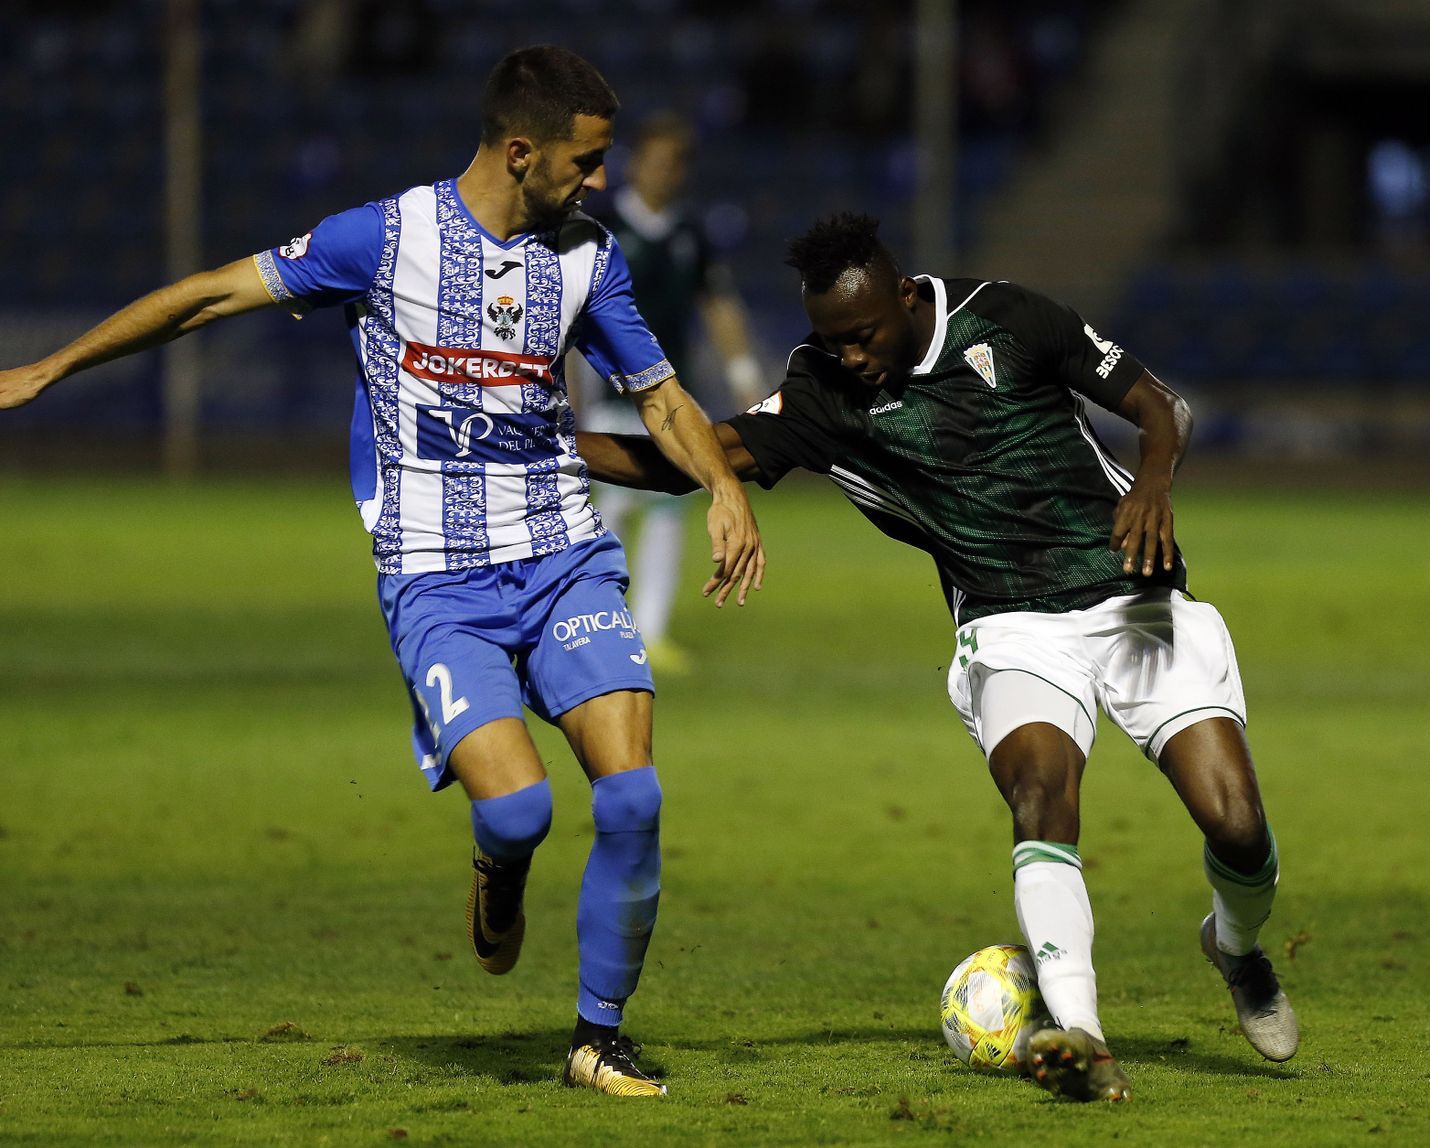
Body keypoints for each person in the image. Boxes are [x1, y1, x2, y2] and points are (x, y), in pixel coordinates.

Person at [0, 44, 765, 1100]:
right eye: (584, 164)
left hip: (561, 556)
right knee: (518, 814)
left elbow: (662, 393)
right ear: (519, 150)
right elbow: (209, 298)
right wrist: (50, 368)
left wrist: (723, 486)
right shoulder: (384, 237)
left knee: (632, 794)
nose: (598, 184)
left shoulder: (588, 256)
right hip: (435, 580)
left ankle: (598, 1036)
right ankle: (498, 867)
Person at [575, 213, 1297, 1103]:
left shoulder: (1010, 320)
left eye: (863, 335)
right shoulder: (823, 390)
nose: (849, 356)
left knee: (1235, 824)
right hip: (1009, 623)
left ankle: (1234, 946)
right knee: (1041, 794)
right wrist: (559, 449)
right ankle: (1082, 1036)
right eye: (830, 341)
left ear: (907, 299)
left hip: (1135, 598)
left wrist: (1153, 482)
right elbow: (703, 454)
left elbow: (1161, 407)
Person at [576, 111, 764, 674]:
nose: (661, 171)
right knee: (609, 503)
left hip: (666, 392)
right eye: (653, 159)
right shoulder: (600, 226)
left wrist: (742, 371)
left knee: (663, 508)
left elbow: (718, 304)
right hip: (606, 388)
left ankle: (648, 630)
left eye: (672, 162)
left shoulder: (690, 233)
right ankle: (595, 617)